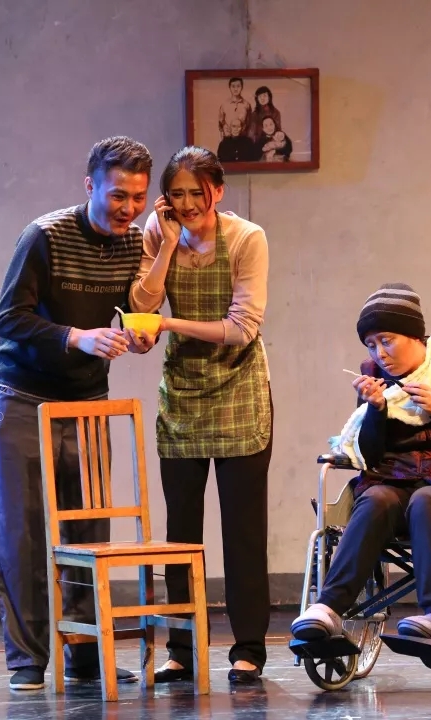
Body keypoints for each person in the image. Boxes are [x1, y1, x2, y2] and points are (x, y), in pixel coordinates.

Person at [0, 136, 158, 692]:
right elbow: (8, 318)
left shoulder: (134, 245)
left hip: (86, 401)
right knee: (23, 533)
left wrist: (137, 336)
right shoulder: (46, 236)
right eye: (118, 195)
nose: (128, 208)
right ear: (90, 186)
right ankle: (26, 659)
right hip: (23, 398)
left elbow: (133, 312)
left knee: (88, 530)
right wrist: (75, 337)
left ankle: (84, 654)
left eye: (138, 197)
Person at [291, 283, 431, 643]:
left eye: (386, 341)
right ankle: (327, 609)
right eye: (371, 345)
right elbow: (371, 456)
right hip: (394, 478)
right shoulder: (375, 378)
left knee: (426, 501)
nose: (379, 353)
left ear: (414, 336)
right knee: (375, 499)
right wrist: (376, 410)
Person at [129, 147, 272, 685]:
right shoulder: (158, 230)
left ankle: (249, 649)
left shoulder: (247, 238)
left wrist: (168, 326)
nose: (188, 204)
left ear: (219, 190)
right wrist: (167, 246)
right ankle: (183, 649)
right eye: (177, 194)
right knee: (181, 533)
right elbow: (142, 303)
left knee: (242, 531)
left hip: (240, 390)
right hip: (184, 395)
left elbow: (242, 328)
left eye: (197, 192)